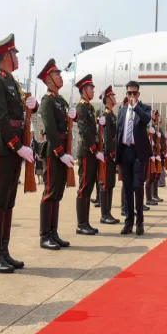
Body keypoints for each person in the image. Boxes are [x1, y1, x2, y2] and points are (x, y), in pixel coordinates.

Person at [0, 33, 37, 273]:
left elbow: (19, 114)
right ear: (7, 55)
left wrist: (32, 106)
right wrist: (17, 145)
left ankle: (4, 251)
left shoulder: (13, 82)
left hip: (13, 149)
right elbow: (1, 118)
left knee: (8, 202)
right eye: (15, 54)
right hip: (2, 149)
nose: (17, 57)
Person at [37, 59, 73, 250]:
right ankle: (45, 235)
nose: (60, 76)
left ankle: (53, 232)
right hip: (53, 152)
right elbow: (50, 128)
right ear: (49, 79)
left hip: (61, 151)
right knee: (50, 192)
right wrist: (60, 152)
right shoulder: (47, 100)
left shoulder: (60, 100)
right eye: (57, 74)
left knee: (57, 193)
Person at [115, 80, 153, 235]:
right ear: (126, 94)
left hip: (139, 154)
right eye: (129, 93)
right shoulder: (122, 111)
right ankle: (128, 222)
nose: (131, 95)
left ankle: (140, 222)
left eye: (134, 93)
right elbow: (119, 133)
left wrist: (136, 106)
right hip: (125, 153)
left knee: (138, 187)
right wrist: (117, 158)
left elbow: (146, 119)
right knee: (128, 188)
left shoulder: (144, 108)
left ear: (138, 94)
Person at [72, 74, 103, 235]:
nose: (93, 91)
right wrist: (94, 150)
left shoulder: (90, 107)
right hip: (86, 153)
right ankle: (81, 224)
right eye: (91, 88)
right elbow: (84, 131)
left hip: (91, 153)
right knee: (84, 188)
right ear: (84, 89)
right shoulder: (82, 108)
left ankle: (86, 222)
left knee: (89, 187)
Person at [99, 85, 120, 224]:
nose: (115, 98)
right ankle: (104, 214)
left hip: (113, 154)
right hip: (108, 154)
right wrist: (112, 153)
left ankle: (108, 212)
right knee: (106, 183)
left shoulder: (113, 115)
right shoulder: (106, 115)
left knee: (111, 184)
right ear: (107, 99)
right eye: (112, 96)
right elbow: (107, 137)